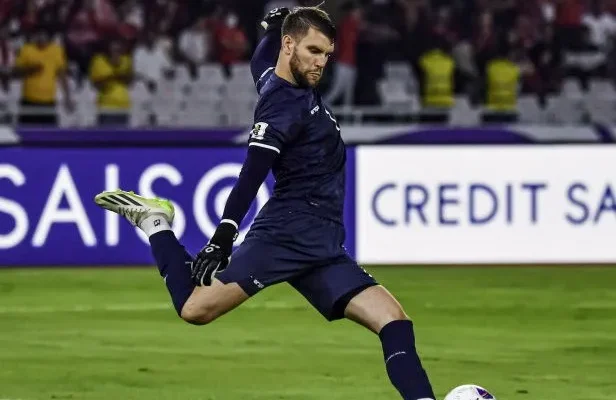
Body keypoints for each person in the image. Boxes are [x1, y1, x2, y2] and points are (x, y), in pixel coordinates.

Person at [94, 7, 435, 400]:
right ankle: (156, 223)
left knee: (394, 321)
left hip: (322, 245)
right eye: (312, 50)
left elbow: (261, 59)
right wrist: (224, 233)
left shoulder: (281, 80)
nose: (321, 62)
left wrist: (275, 27)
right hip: (286, 235)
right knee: (194, 309)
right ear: (290, 46)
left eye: (326, 53)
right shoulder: (281, 105)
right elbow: (252, 173)